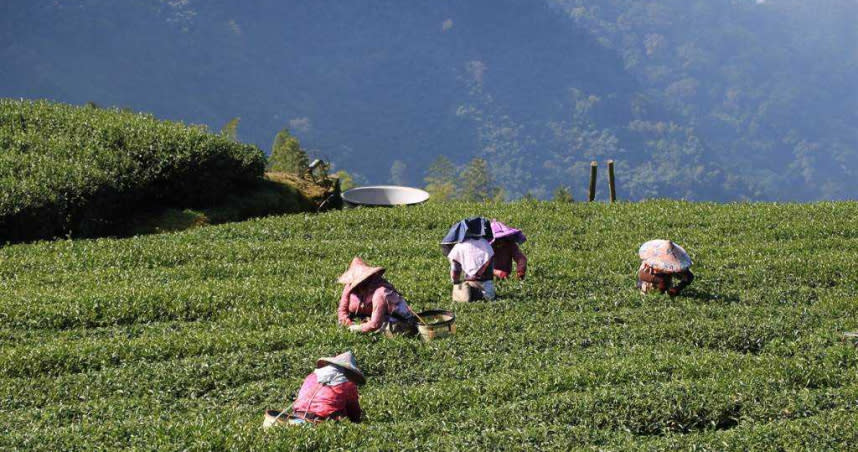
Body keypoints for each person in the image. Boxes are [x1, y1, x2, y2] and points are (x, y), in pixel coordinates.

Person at [263, 351, 364, 427]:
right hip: (321, 420)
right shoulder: (347, 383)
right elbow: (354, 413)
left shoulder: (312, 376)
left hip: (297, 414)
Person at [337, 257, 417, 335]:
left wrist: (358, 328)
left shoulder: (380, 292)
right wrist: (347, 323)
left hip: (398, 323)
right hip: (373, 320)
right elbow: (342, 309)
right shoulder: (350, 286)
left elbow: (375, 324)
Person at [441, 217, 496, 301]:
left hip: (468, 292)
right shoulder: (487, 245)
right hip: (489, 293)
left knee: (464, 289)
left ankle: (469, 295)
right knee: (486, 288)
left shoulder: (459, 246)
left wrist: (456, 283)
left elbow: (455, 271)